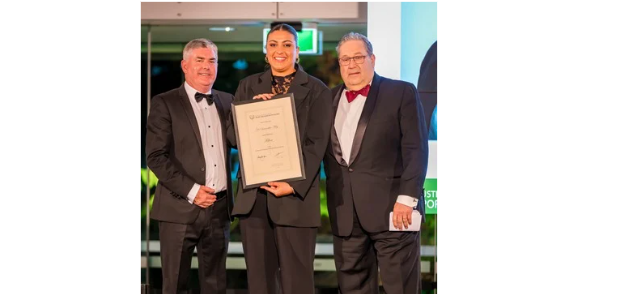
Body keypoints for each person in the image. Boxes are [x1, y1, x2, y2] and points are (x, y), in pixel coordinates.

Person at [231, 24, 332, 294]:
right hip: (254, 198)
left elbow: (317, 144)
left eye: (287, 45)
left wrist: (293, 185)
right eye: (273, 44)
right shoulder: (247, 86)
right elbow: (232, 135)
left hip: (295, 198)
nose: (280, 50)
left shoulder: (317, 90)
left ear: (297, 51)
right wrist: (254, 111)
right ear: (266, 51)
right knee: (259, 283)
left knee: (297, 283)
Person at [324, 33, 428, 294]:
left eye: (358, 57)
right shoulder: (327, 99)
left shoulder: (400, 92)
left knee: (400, 288)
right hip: (345, 216)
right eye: (345, 59)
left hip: (394, 212)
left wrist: (407, 199)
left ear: (372, 59)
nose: (351, 64)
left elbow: (415, 149)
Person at [146, 39, 234, 294]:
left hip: (219, 210)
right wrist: (193, 191)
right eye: (200, 60)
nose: (207, 66)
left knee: (215, 286)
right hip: (178, 210)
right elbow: (155, 157)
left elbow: (246, 141)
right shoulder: (165, 102)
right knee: (174, 285)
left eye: (212, 61)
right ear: (185, 65)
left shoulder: (228, 101)